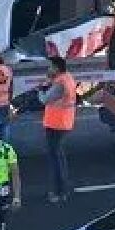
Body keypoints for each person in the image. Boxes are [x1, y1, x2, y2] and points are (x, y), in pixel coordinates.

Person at [38, 55, 76, 203]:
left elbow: (45, 99)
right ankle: (63, 189)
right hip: (64, 123)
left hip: (56, 124)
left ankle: (58, 191)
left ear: (57, 68)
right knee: (59, 157)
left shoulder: (60, 83)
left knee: (55, 160)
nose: (49, 69)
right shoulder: (67, 78)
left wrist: (40, 91)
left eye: (50, 66)